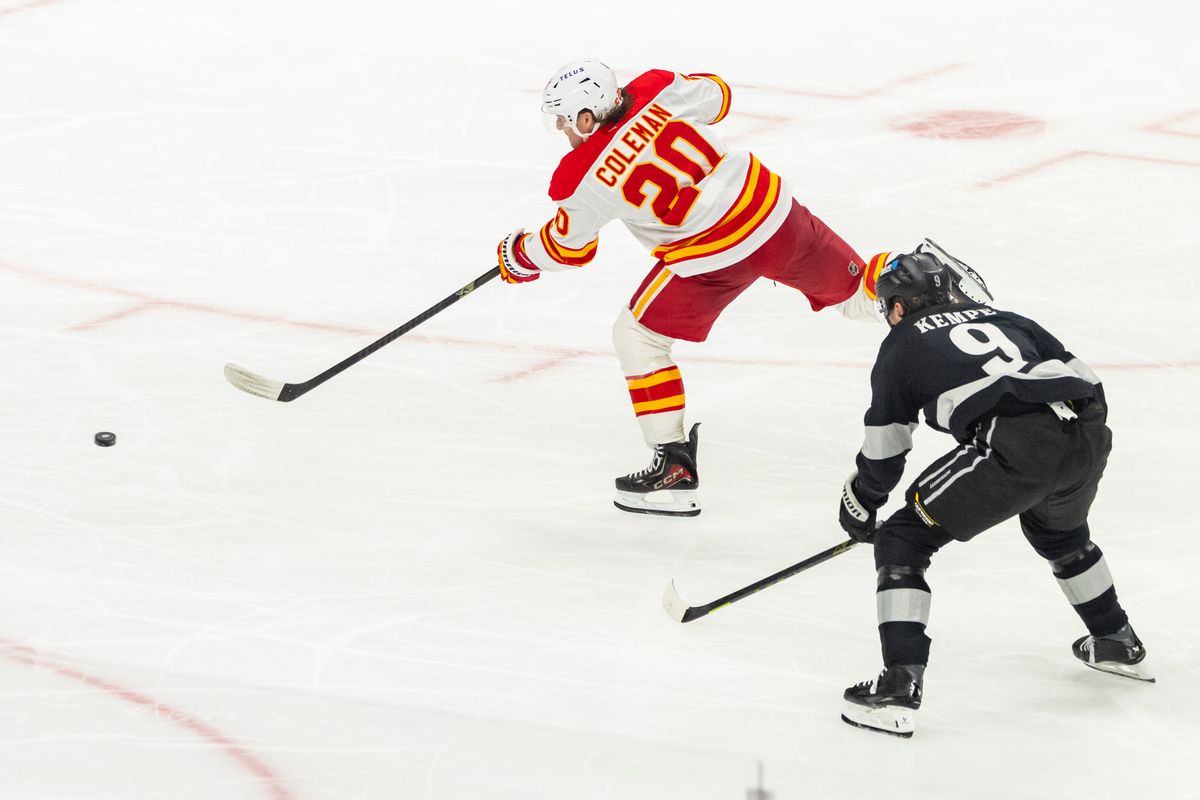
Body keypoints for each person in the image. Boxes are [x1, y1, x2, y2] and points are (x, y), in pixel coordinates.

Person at [497, 59, 881, 517]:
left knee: (637, 337)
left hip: (710, 259)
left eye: (565, 122)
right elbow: (719, 95)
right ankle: (929, 290)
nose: (563, 131)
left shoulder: (578, 174)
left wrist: (519, 254)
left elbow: (568, 249)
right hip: (774, 216)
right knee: (861, 295)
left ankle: (674, 468)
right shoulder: (655, 87)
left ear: (587, 117)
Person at [836, 246, 1152, 739]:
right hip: (1088, 431)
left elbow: (886, 449)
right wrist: (1065, 448)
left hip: (1015, 443)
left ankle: (898, 687)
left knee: (901, 541)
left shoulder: (899, 345)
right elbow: (1087, 378)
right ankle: (1115, 639)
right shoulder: (1008, 317)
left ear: (898, 307)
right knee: (1060, 534)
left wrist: (861, 501)